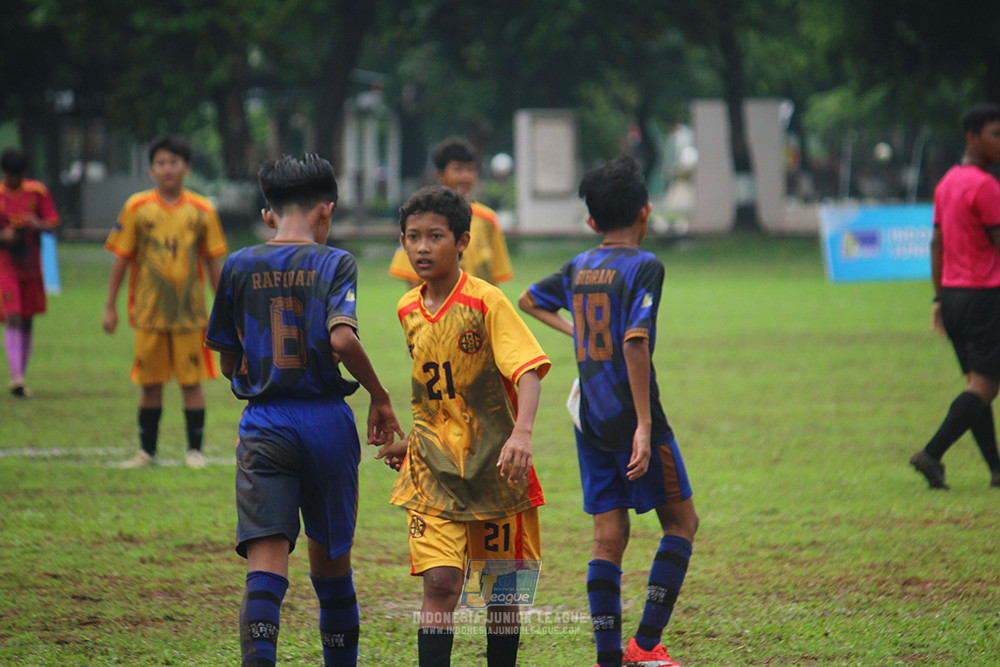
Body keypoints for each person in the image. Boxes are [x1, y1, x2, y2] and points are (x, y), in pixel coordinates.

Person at [205, 154, 404, 666]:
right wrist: (380, 397)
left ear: (268, 214)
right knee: (332, 567)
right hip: (325, 422)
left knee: (266, 566)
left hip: (266, 421)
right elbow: (342, 338)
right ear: (326, 211)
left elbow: (228, 359)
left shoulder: (239, 264)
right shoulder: (334, 262)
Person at [518, 156, 698, 667]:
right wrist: (644, 424)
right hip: (633, 413)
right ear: (646, 212)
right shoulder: (645, 266)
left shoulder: (580, 266)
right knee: (681, 523)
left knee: (608, 537)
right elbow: (636, 342)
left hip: (590, 416)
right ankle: (644, 645)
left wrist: (579, 331)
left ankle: (607, 658)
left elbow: (529, 300)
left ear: (592, 221)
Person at [376, 185, 549, 667]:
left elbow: (529, 371)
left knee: (501, 595)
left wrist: (523, 434)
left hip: (497, 471)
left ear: (463, 241)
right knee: (441, 583)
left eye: (436, 236)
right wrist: (413, 441)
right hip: (432, 471)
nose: (423, 247)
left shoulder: (486, 301)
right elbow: (439, 395)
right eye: (412, 237)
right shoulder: (407, 308)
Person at [103, 134, 228, 469]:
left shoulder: (202, 210)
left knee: (192, 382)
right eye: (160, 163)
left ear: (186, 167)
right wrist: (110, 305)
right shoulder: (136, 207)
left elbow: (213, 261)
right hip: (148, 312)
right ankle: (147, 451)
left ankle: (195, 451)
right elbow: (121, 257)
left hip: (190, 314)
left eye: (173, 162)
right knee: (149, 383)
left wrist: (225, 309)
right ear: (151, 170)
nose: (167, 169)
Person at [910, 103, 1000, 491]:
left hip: (953, 296)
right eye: (996, 134)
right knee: (984, 387)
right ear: (972, 137)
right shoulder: (987, 186)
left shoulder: (946, 183)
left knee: (976, 385)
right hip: (985, 297)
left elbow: (936, 244)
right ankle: (932, 453)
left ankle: (997, 470)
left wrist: (937, 299)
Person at [388, 137, 513, 289]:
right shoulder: (422, 216)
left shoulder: (488, 219)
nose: (465, 176)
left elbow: (494, 276)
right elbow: (413, 278)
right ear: (440, 175)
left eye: (470, 170)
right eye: (458, 169)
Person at [0, 148, 60, 397]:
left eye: (17, 176)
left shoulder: (37, 192)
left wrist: (37, 224)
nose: (13, 181)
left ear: (24, 173)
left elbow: (53, 222)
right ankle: (17, 376)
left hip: (31, 264)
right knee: (12, 315)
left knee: (27, 318)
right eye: (9, 176)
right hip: (5, 265)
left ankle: (20, 377)